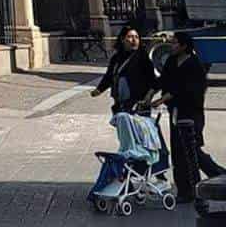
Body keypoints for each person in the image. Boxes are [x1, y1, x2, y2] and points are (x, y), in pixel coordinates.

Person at [158, 30, 223, 201]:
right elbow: (163, 81)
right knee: (178, 152)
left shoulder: (195, 64)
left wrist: (168, 96)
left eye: (174, 43)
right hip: (175, 112)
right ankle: (185, 191)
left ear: (184, 46)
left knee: (191, 150)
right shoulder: (171, 61)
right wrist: (152, 95)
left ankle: (216, 176)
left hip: (191, 114)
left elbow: (192, 90)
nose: (171, 46)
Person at [92, 25, 159, 114]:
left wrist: (148, 96)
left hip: (138, 104)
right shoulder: (116, 58)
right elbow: (110, 76)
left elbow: (153, 80)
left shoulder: (143, 58)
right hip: (120, 103)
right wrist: (99, 89)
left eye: (136, 37)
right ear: (122, 39)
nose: (134, 40)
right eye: (130, 37)